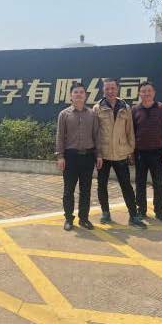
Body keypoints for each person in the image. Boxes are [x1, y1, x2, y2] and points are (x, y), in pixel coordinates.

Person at [92, 78, 147, 228]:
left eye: (113, 88)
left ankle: (133, 216)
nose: (110, 91)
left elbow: (130, 131)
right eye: (107, 89)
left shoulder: (125, 107)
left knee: (126, 185)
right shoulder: (97, 108)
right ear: (103, 90)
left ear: (117, 89)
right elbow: (95, 133)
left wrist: (130, 150)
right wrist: (97, 154)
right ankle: (105, 213)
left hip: (121, 153)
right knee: (102, 185)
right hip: (103, 155)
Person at [55, 82, 102, 230]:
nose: (78, 95)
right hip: (71, 157)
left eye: (81, 92)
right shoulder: (64, 114)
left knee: (85, 190)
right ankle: (68, 219)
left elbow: (97, 136)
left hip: (88, 157)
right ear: (71, 95)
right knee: (68, 190)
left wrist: (99, 155)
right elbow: (60, 137)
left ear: (85, 95)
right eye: (75, 92)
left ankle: (84, 218)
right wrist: (60, 156)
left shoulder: (92, 114)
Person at [131, 81, 162, 222]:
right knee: (140, 183)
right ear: (139, 93)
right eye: (143, 91)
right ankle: (141, 210)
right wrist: (131, 151)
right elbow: (131, 132)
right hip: (140, 153)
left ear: (154, 93)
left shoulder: (161, 108)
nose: (146, 93)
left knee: (158, 183)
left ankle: (159, 211)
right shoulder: (135, 110)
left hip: (157, 152)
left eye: (149, 91)